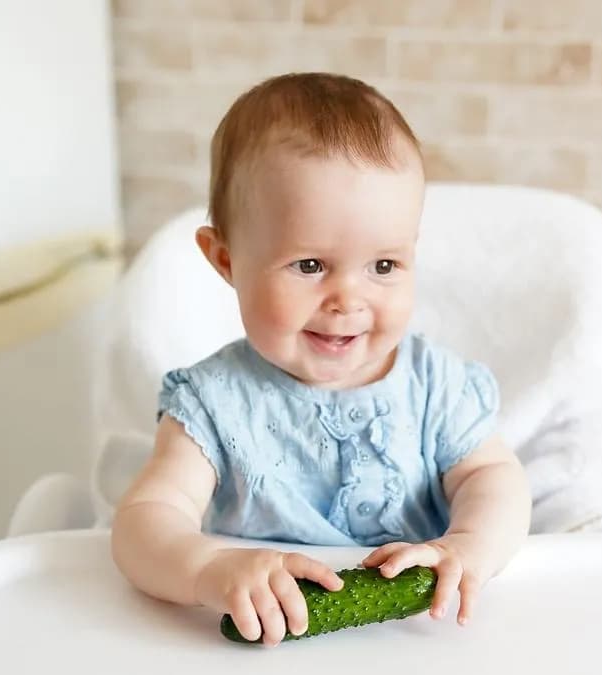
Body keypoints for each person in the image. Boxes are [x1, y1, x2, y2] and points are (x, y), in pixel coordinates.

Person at [110, 72, 531, 648]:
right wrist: (208, 568)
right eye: (309, 266)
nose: (348, 300)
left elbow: (495, 479)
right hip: (263, 647)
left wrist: (467, 546)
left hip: (414, 641)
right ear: (226, 259)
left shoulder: (436, 387)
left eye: (383, 266)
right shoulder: (213, 403)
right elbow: (144, 524)